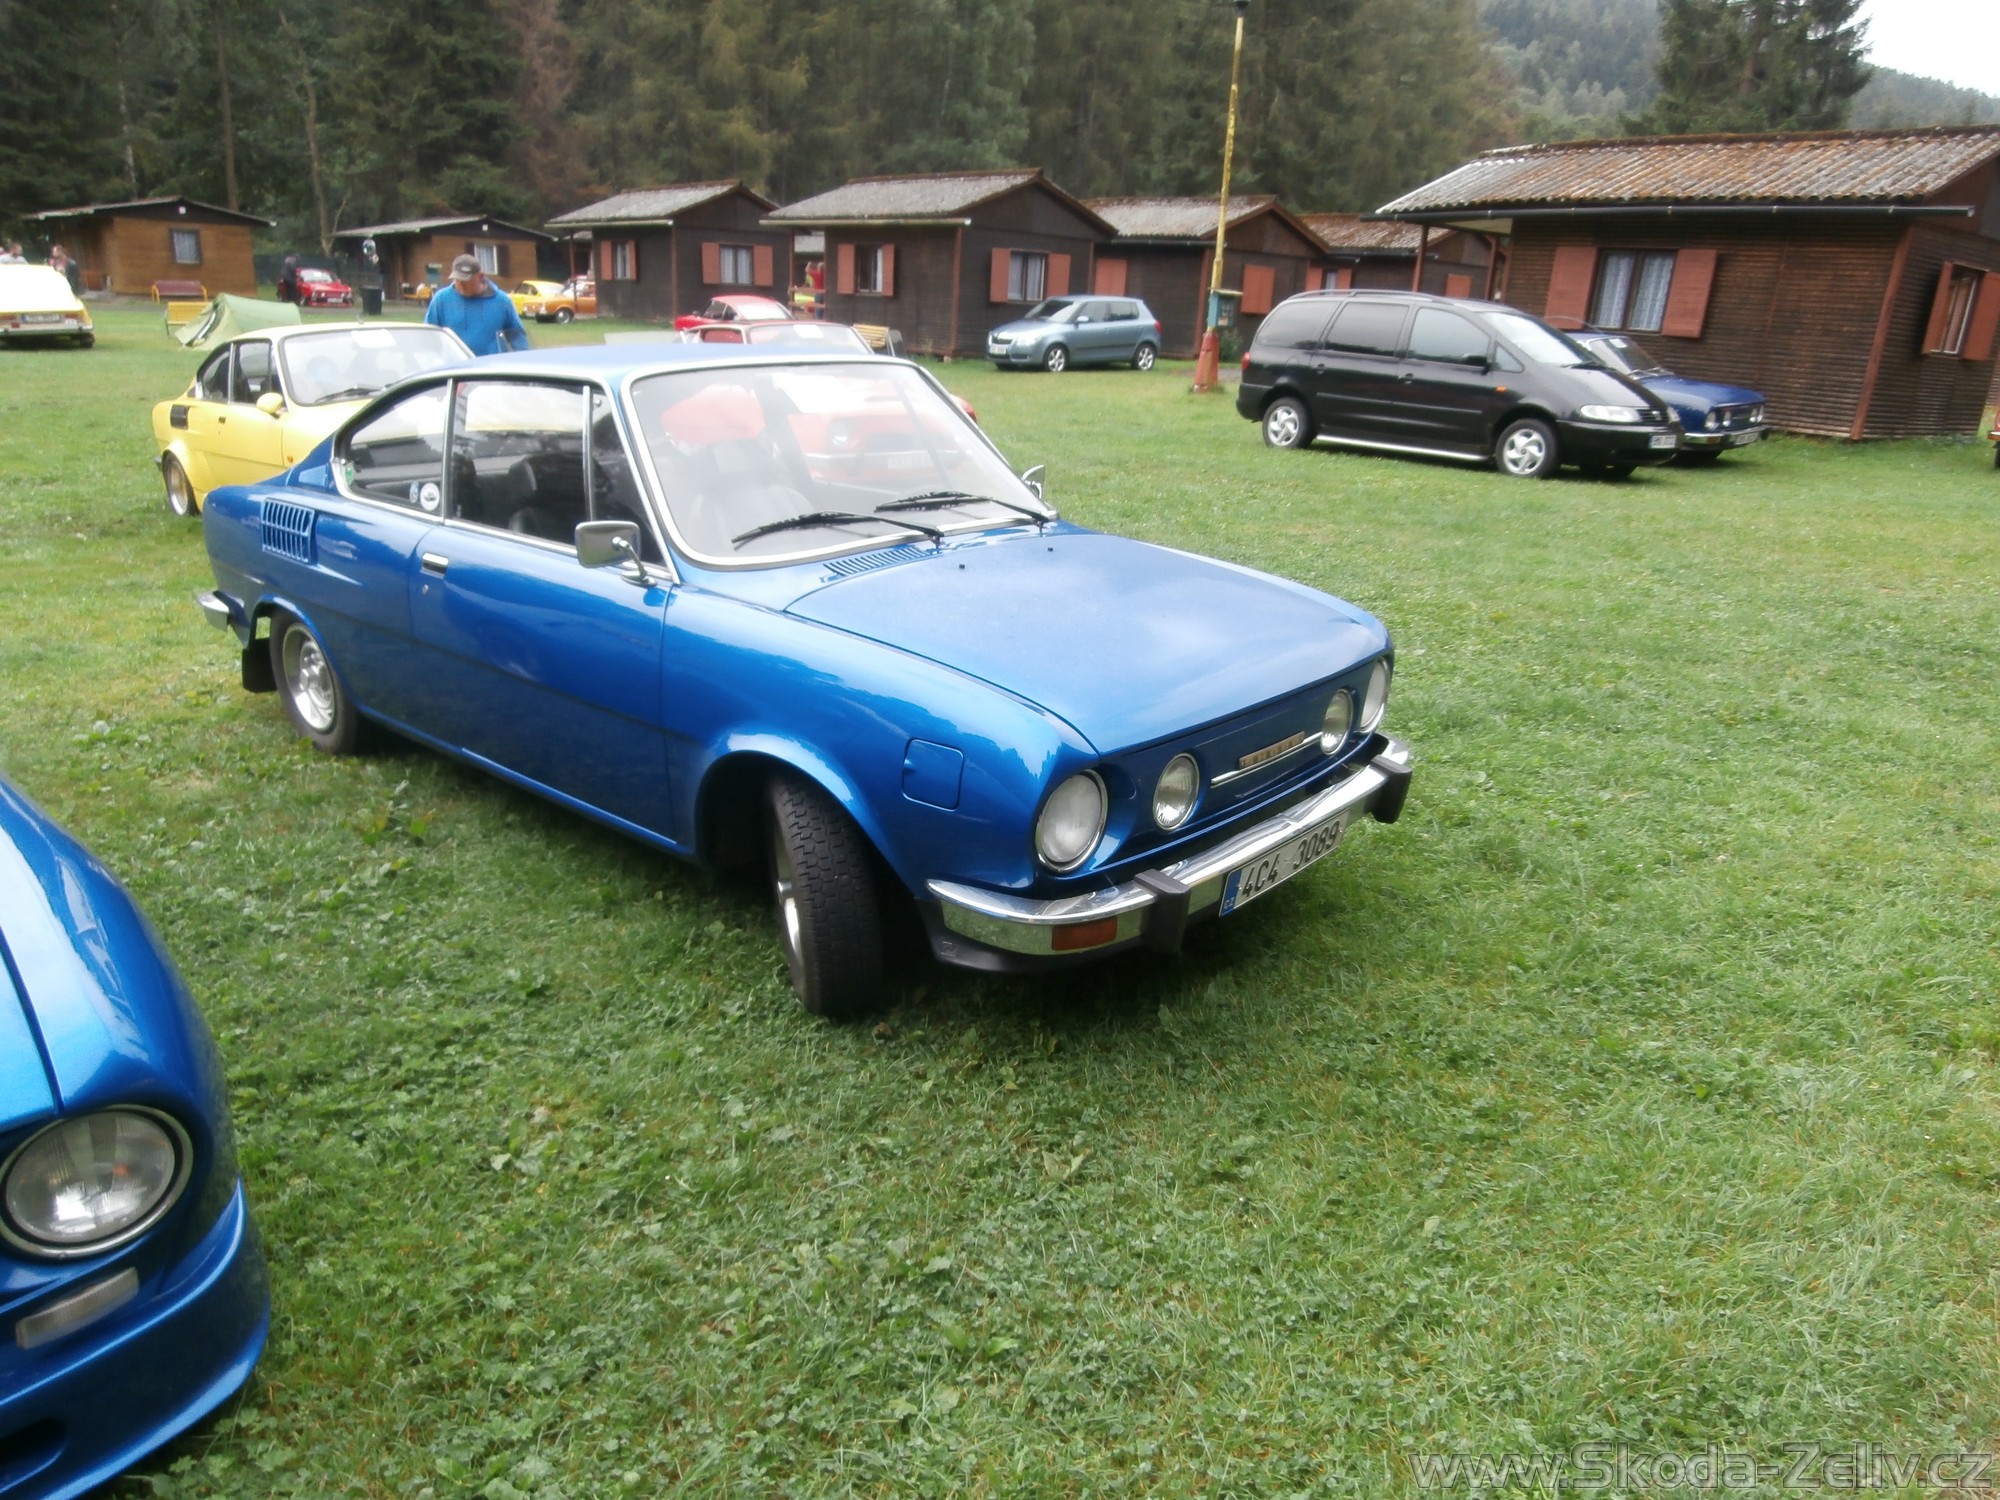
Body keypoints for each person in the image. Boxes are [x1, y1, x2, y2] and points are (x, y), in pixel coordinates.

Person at [424, 254, 529, 355]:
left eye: (466, 281)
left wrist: (520, 358)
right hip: (455, 365)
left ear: (481, 276)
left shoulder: (502, 301)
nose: (461, 285)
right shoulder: (441, 299)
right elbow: (429, 335)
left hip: (491, 364)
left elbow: (517, 335)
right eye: (457, 280)